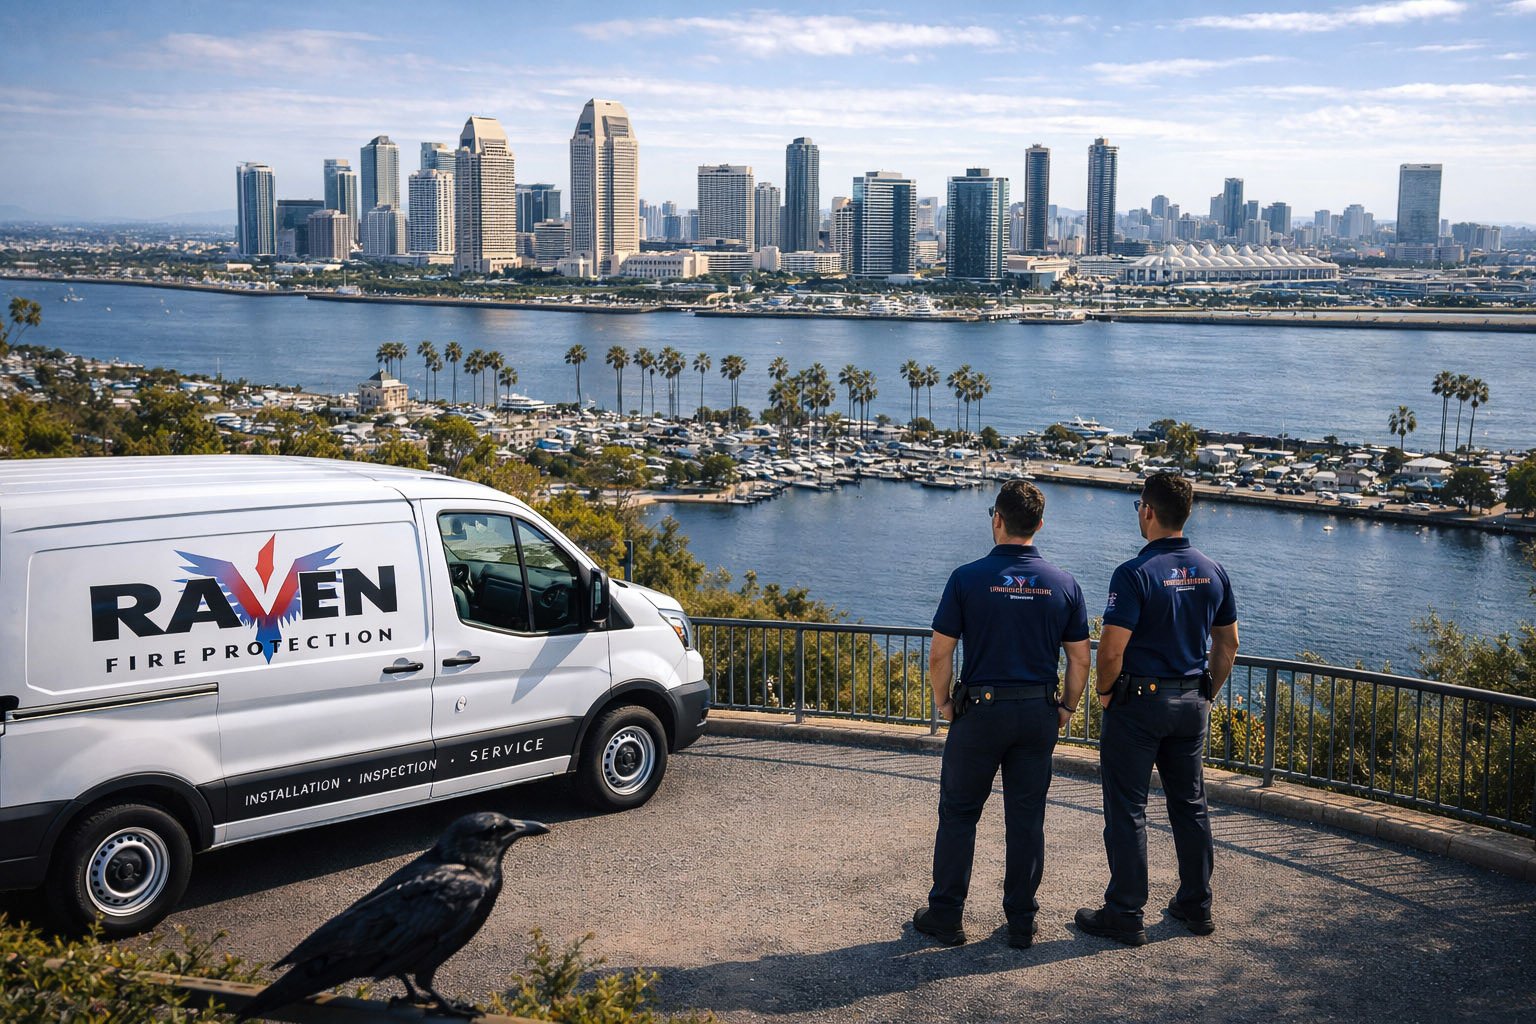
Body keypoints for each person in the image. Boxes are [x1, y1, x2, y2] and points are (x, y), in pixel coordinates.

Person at [913, 480, 1091, 949]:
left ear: (997, 519)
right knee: (1027, 819)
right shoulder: (1064, 584)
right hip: (1037, 712)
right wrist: (1067, 708)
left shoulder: (966, 578)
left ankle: (947, 916)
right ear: (1039, 525)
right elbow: (1080, 659)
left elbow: (939, 655)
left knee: (959, 814)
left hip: (980, 712)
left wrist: (945, 702)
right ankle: (1021, 922)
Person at [1075, 472, 1239, 946]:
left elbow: (1110, 649)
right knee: (1190, 804)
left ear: (1148, 510)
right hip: (1191, 702)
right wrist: (1207, 689)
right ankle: (1196, 904)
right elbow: (1227, 643)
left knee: (1128, 808)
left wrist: (1105, 693)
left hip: (1139, 705)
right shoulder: (1213, 570)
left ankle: (1126, 911)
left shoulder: (1134, 574)